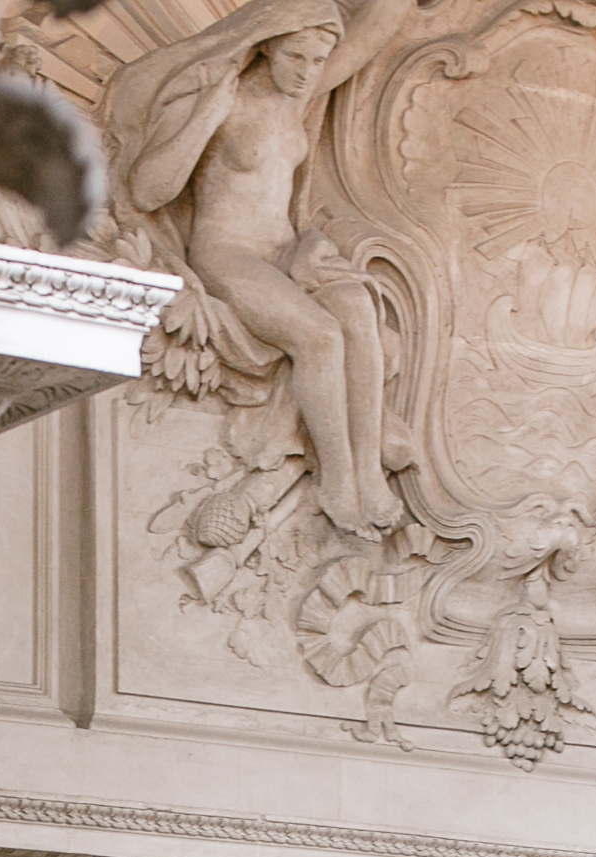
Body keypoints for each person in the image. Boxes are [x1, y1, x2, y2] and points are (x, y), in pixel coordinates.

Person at [104, 0, 433, 534]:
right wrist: (206, 116)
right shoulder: (223, 98)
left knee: (356, 309)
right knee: (320, 337)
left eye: (318, 58)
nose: (308, 71)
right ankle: (339, 478)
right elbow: (148, 189)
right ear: (266, 45)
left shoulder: (299, 93)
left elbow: (370, 35)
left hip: (287, 250)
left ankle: (368, 469)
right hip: (227, 252)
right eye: (296, 56)